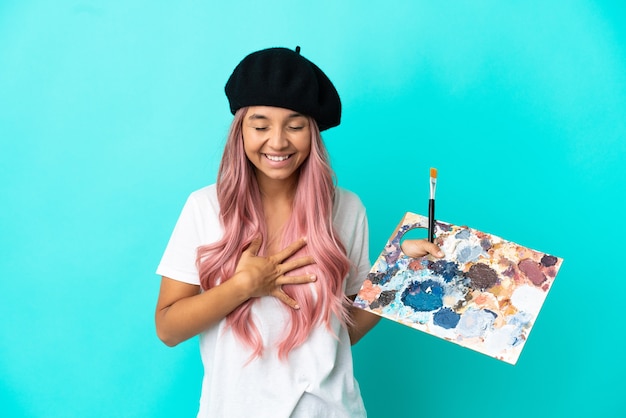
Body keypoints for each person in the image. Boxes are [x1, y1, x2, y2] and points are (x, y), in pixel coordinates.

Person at [155, 46, 442, 418]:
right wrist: (242, 287)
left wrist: (401, 268)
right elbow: (168, 328)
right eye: (260, 126)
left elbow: (343, 335)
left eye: (295, 126)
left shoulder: (347, 208)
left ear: (313, 133)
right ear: (239, 131)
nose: (277, 142)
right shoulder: (205, 207)